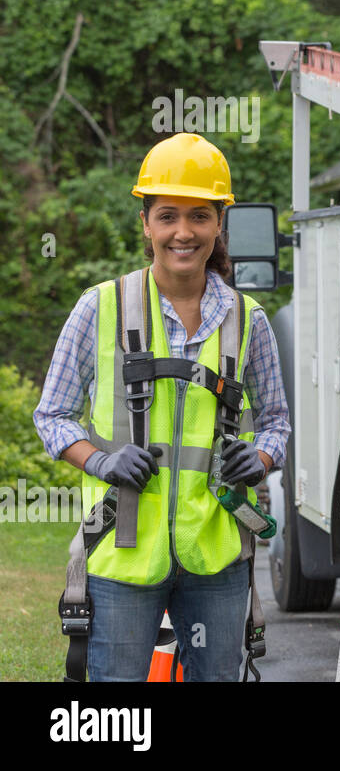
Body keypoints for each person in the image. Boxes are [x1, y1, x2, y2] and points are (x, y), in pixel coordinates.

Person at [33, 132, 290, 681]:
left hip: (216, 554)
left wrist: (262, 458)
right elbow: (51, 414)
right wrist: (99, 461)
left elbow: (276, 424)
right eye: (168, 215)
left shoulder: (248, 320)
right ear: (146, 222)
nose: (183, 232)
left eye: (199, 216)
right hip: (123, 553)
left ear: (220, 222)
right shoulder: (99, 308)